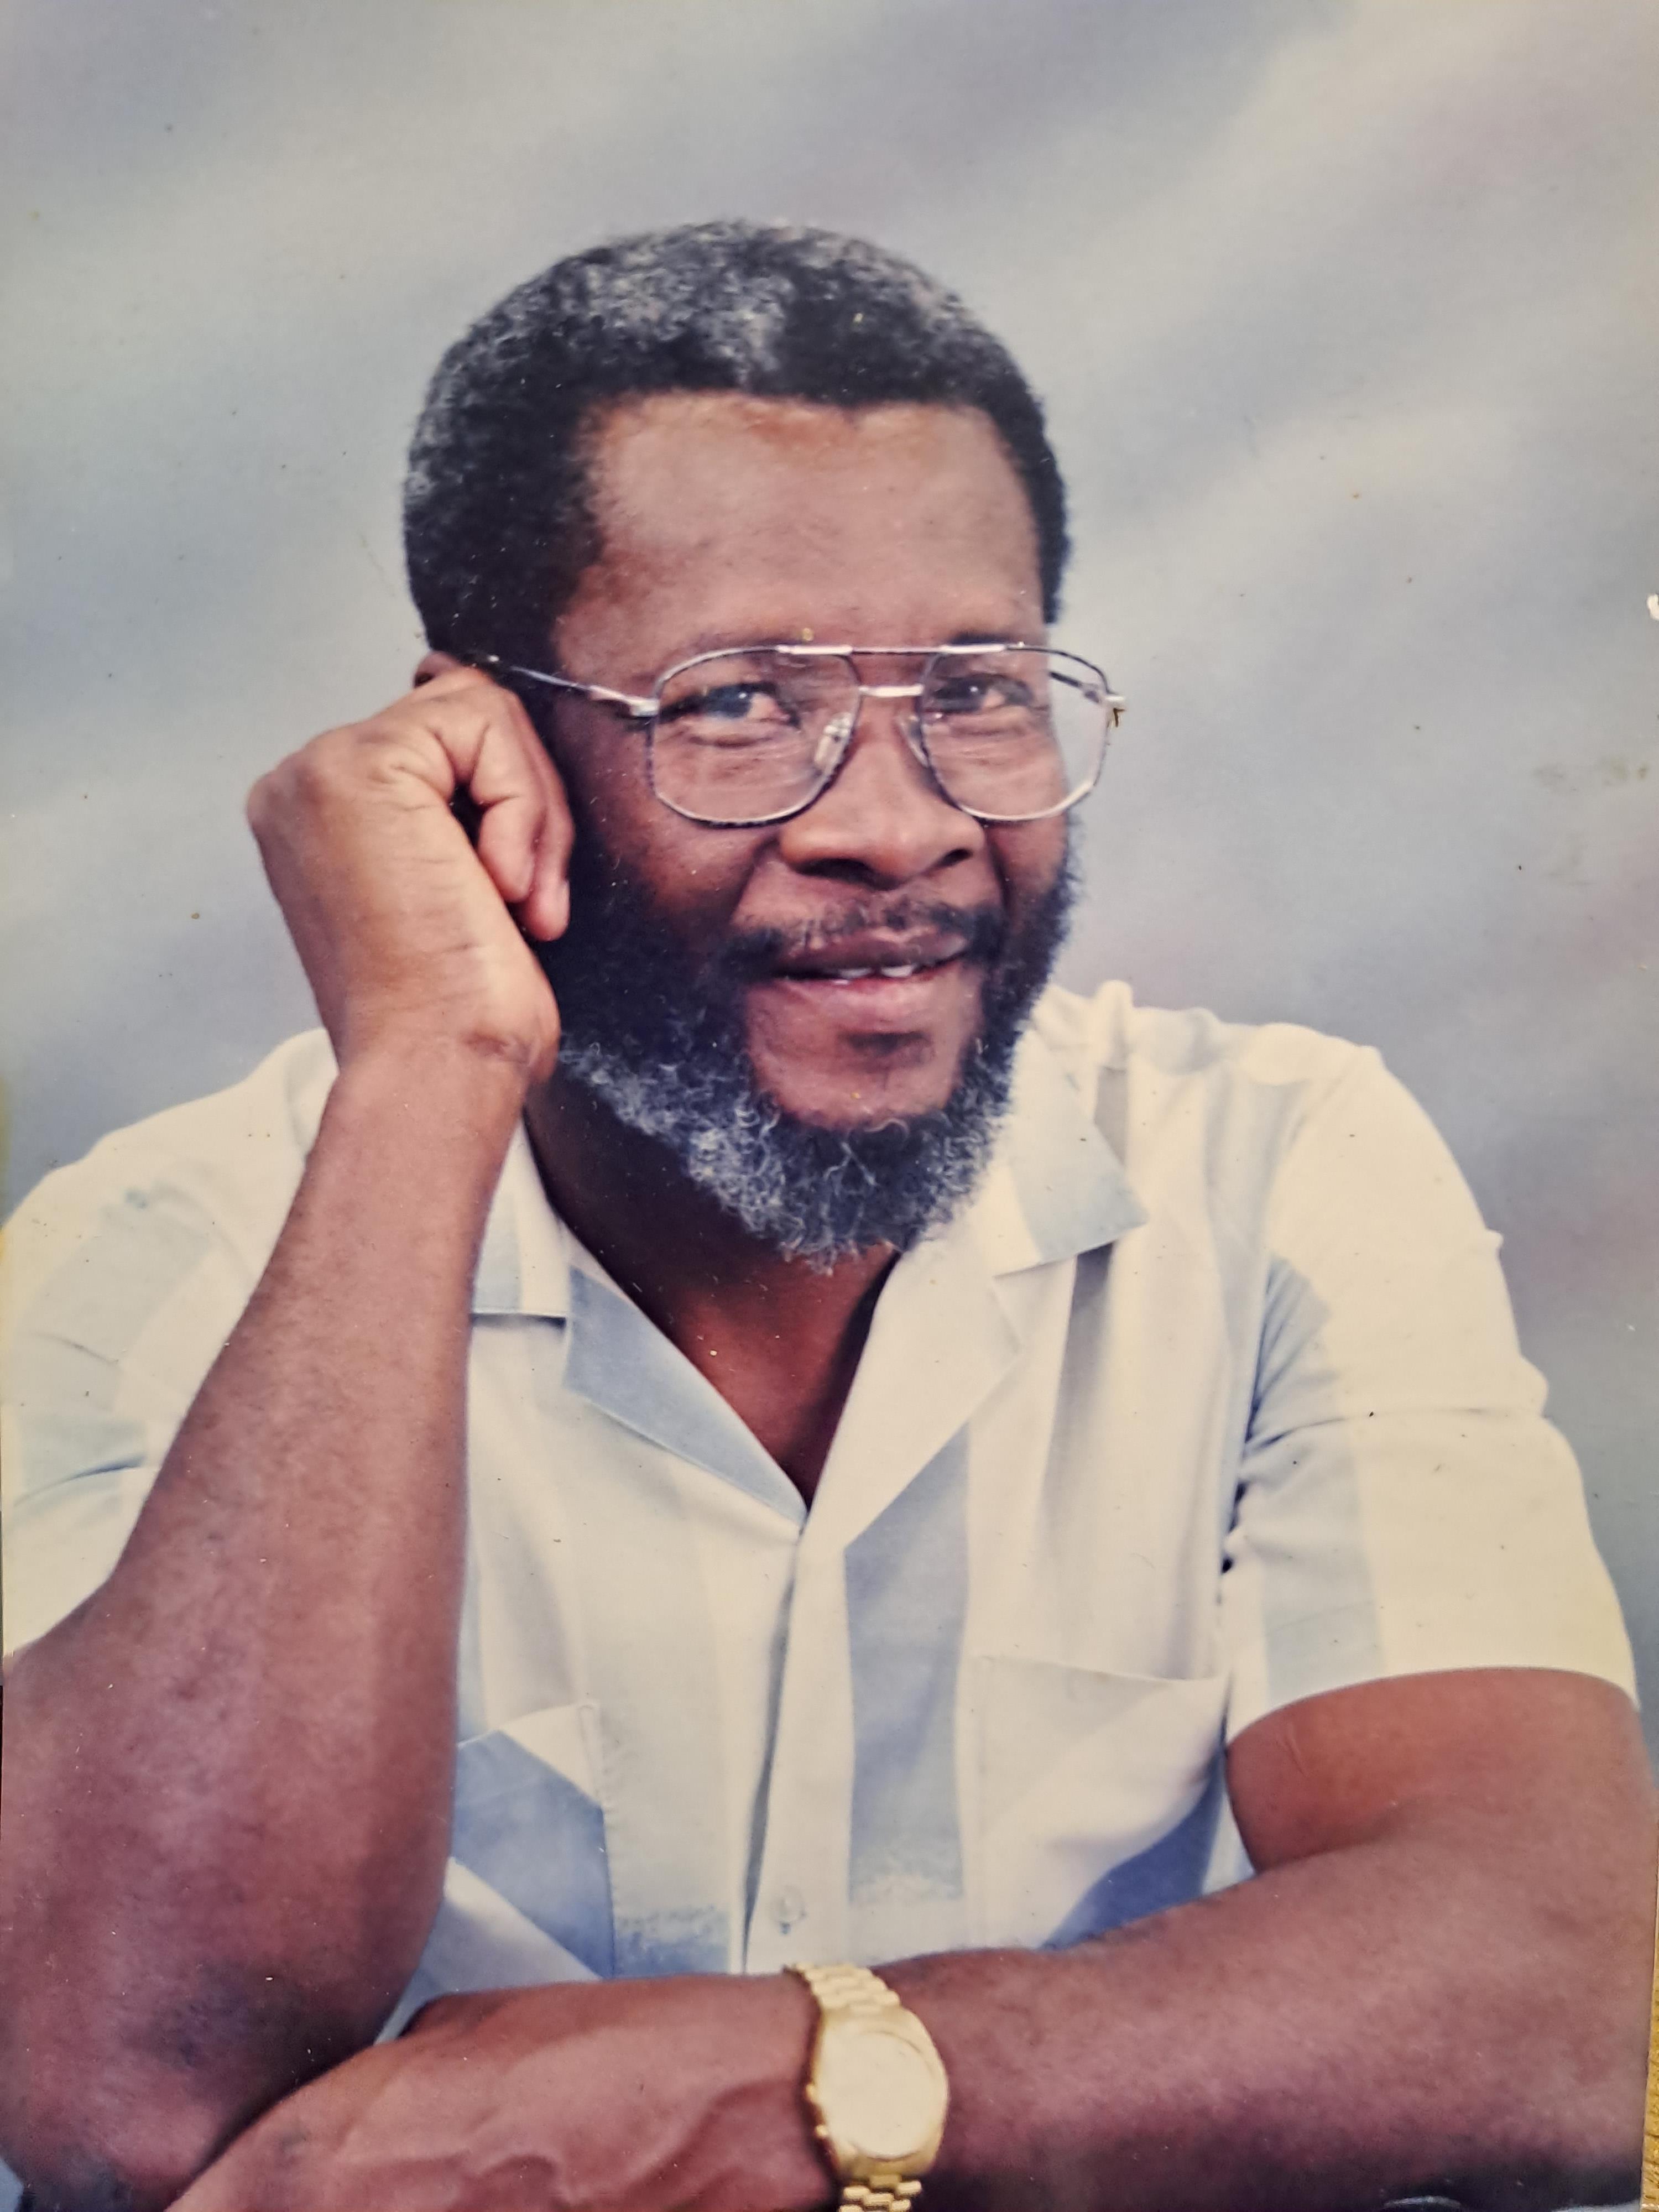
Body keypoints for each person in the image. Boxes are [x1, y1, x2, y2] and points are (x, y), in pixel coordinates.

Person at [0, 222, 1650, 2212]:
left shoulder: (1278, 1170)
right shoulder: (155, 1261)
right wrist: (426, 1062)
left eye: (979, 688)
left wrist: (755, 2091)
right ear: (485, 753)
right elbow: (118, 2095)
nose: (898, 819)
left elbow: (1567, 2001)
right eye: (735, 705)